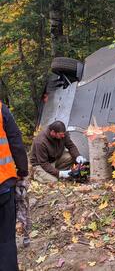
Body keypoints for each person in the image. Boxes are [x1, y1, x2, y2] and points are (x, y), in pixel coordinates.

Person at [0, 101, 28, 271]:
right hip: (3, 186)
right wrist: (22, 171)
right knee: (6, 240)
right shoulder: (1, 109)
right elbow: (15, 141)